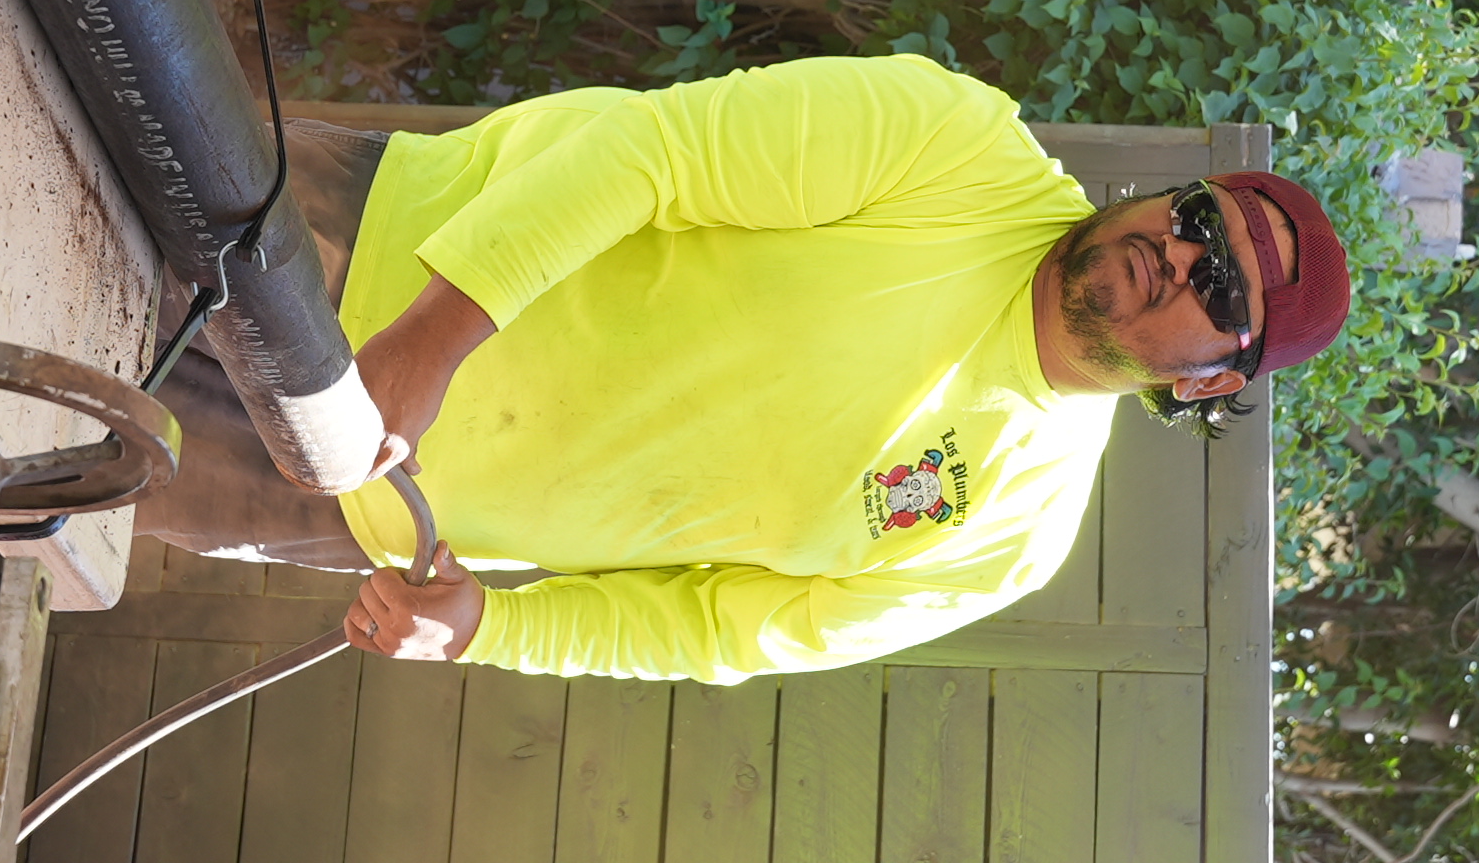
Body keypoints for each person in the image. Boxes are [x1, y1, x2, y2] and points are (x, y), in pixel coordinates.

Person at [137, 52, 1352, 683]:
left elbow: (715, 630)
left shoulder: (1010, 535)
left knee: (18, 442)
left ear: (1205, 385)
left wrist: (486, 630)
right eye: (1199, 219)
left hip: (340, 496)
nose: (1182, 258)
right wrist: (428, 336)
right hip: (357, 239)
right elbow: (651, 154)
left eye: (1225, 290)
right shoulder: (954, 143)